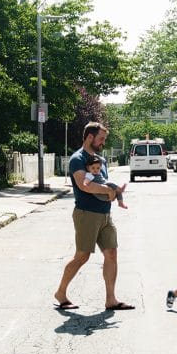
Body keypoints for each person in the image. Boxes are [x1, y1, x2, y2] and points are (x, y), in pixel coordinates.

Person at [54, 121, 134, 312]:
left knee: (111, 254)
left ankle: (111, 299)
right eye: (101, 139)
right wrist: (109, 192)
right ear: (90, 137)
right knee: (82, 257)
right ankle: (61, 293)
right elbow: (84, 185)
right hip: (86, 214)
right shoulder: (77, 159)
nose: (103, 142)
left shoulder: (101, 160)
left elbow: (104, 183)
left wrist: (112, 193)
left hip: (105, 215)